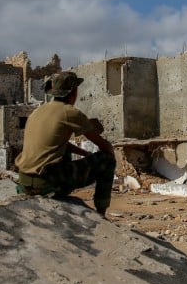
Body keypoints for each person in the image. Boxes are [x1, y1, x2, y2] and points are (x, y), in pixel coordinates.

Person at [15, 71, 116, 217]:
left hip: (24, 182)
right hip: (46, 183)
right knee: (107, 160)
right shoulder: (70, 112)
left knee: (62, 153)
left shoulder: (37, 111)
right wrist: (109, 152)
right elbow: (103, 146)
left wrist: (85, 154)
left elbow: (57, 145)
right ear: (74, 91)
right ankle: (101, 213)